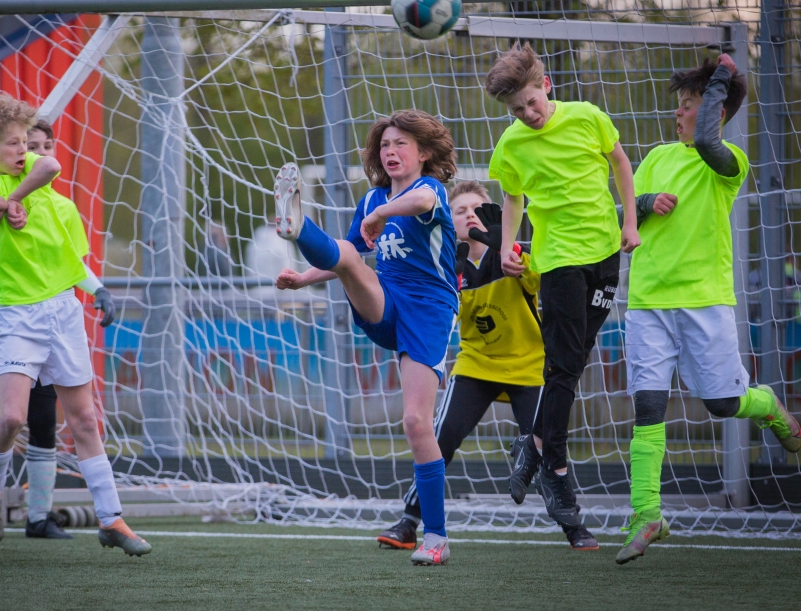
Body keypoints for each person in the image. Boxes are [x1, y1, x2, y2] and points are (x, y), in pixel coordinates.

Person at [617, 54, 801, 564]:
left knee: (722, 404)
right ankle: (646, 514)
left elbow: (706, 141)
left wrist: (721, 78)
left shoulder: (728, 161)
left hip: (704, 302)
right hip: (647, 303)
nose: (678, 113)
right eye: (678, 104)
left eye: (688, 104)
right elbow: (622, 217)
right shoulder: (655, 158)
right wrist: (644, 201)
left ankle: (768, 407)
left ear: (716, 111)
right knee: (647, 406)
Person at [0, 96, 149, 555]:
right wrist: (2, 204)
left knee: (83, 418)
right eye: (13, 143)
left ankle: (111, 518)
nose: (23, 150)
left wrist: (12, 201)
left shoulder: (34, 173)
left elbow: (51, 165)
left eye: (26, 142)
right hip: (16, 314)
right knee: (11, 418)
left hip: (63, 310)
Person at [274, 109, 457, 565]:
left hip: (429, 312)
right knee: (348, 258)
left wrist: (379, 214)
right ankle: (299, 226)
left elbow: (419, 203)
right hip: (386, 302)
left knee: (416, 422)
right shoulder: (373, 197)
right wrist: (303, 279)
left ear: (424, 152)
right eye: (384, 145)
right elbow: (350, 253)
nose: (390, 152)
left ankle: (435, 538)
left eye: (401, 144)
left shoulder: (430, 189)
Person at [376, 180, 599, 551]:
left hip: (529, 366)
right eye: (459, 211)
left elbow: (538, 281)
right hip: (476, 365)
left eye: (476, 209)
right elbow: (444, 316)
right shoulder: (443, 262)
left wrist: (513, 253)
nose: (469, 215)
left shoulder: (510, 253)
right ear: (448, 220)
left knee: (548, 442)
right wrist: (451, 282)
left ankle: (573, 525)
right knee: (440, 435)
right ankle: (410, 520)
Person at [484, 42, 640, 533]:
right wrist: (507, 248)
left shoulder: (588, 117)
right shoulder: (511, 145)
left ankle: (532, 444)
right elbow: (512, 199)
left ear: (546, 86)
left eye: (532, 102)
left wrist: (630, 221)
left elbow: (620, 163)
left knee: (573, 361)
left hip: (605, 255)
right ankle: (555, 470)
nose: (528, 115)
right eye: (516, 110)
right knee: (565, 363)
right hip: (557, 262)